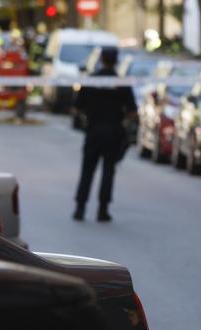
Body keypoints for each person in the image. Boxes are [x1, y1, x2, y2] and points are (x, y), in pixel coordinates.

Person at [72, 47, 136, 222]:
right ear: (116, 60)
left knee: (87, 170)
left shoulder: (91, 81)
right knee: (108, 171)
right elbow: (132, 112)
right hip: (113, 133)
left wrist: (89, 113)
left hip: (93, 131)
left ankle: (80, 208)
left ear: (101, 59)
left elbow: (77, 107)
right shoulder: (121, 83)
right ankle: (102, 210)